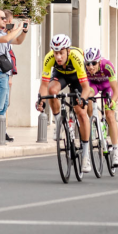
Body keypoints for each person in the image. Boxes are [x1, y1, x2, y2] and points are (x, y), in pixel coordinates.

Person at [38, 34, 94, 172]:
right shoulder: (49, 58)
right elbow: (44, 85)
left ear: (67, 51)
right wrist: (41, 100)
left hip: (77, 77)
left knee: (81, 112)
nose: (58, 57)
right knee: (52, 90)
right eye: (56, 53)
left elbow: (86, 88)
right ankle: (59, 123)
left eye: (61, 53)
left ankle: (86, 156)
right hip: (61, 74)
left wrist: (82, 99)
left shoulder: (76, 57)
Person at [0, 8, 25, 142]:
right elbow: (7, 38)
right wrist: (18, 28)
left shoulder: (0, 33)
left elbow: (18, 41)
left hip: (4, 74)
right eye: (2, 18)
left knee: (4, 104)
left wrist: (24, 31)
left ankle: (0, 132)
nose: (5, 20)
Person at [85, 46, 118, 167]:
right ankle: (93, 122)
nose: (90, 67)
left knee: (110, 114)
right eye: (88, 64)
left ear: (99, 61)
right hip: (93, 85)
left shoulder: (107, 66)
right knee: (88, 96)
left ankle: (116, 152)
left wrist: (113, 102)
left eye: (94, 63)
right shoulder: (85, 70)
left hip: (107, 87)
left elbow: (116, 91)